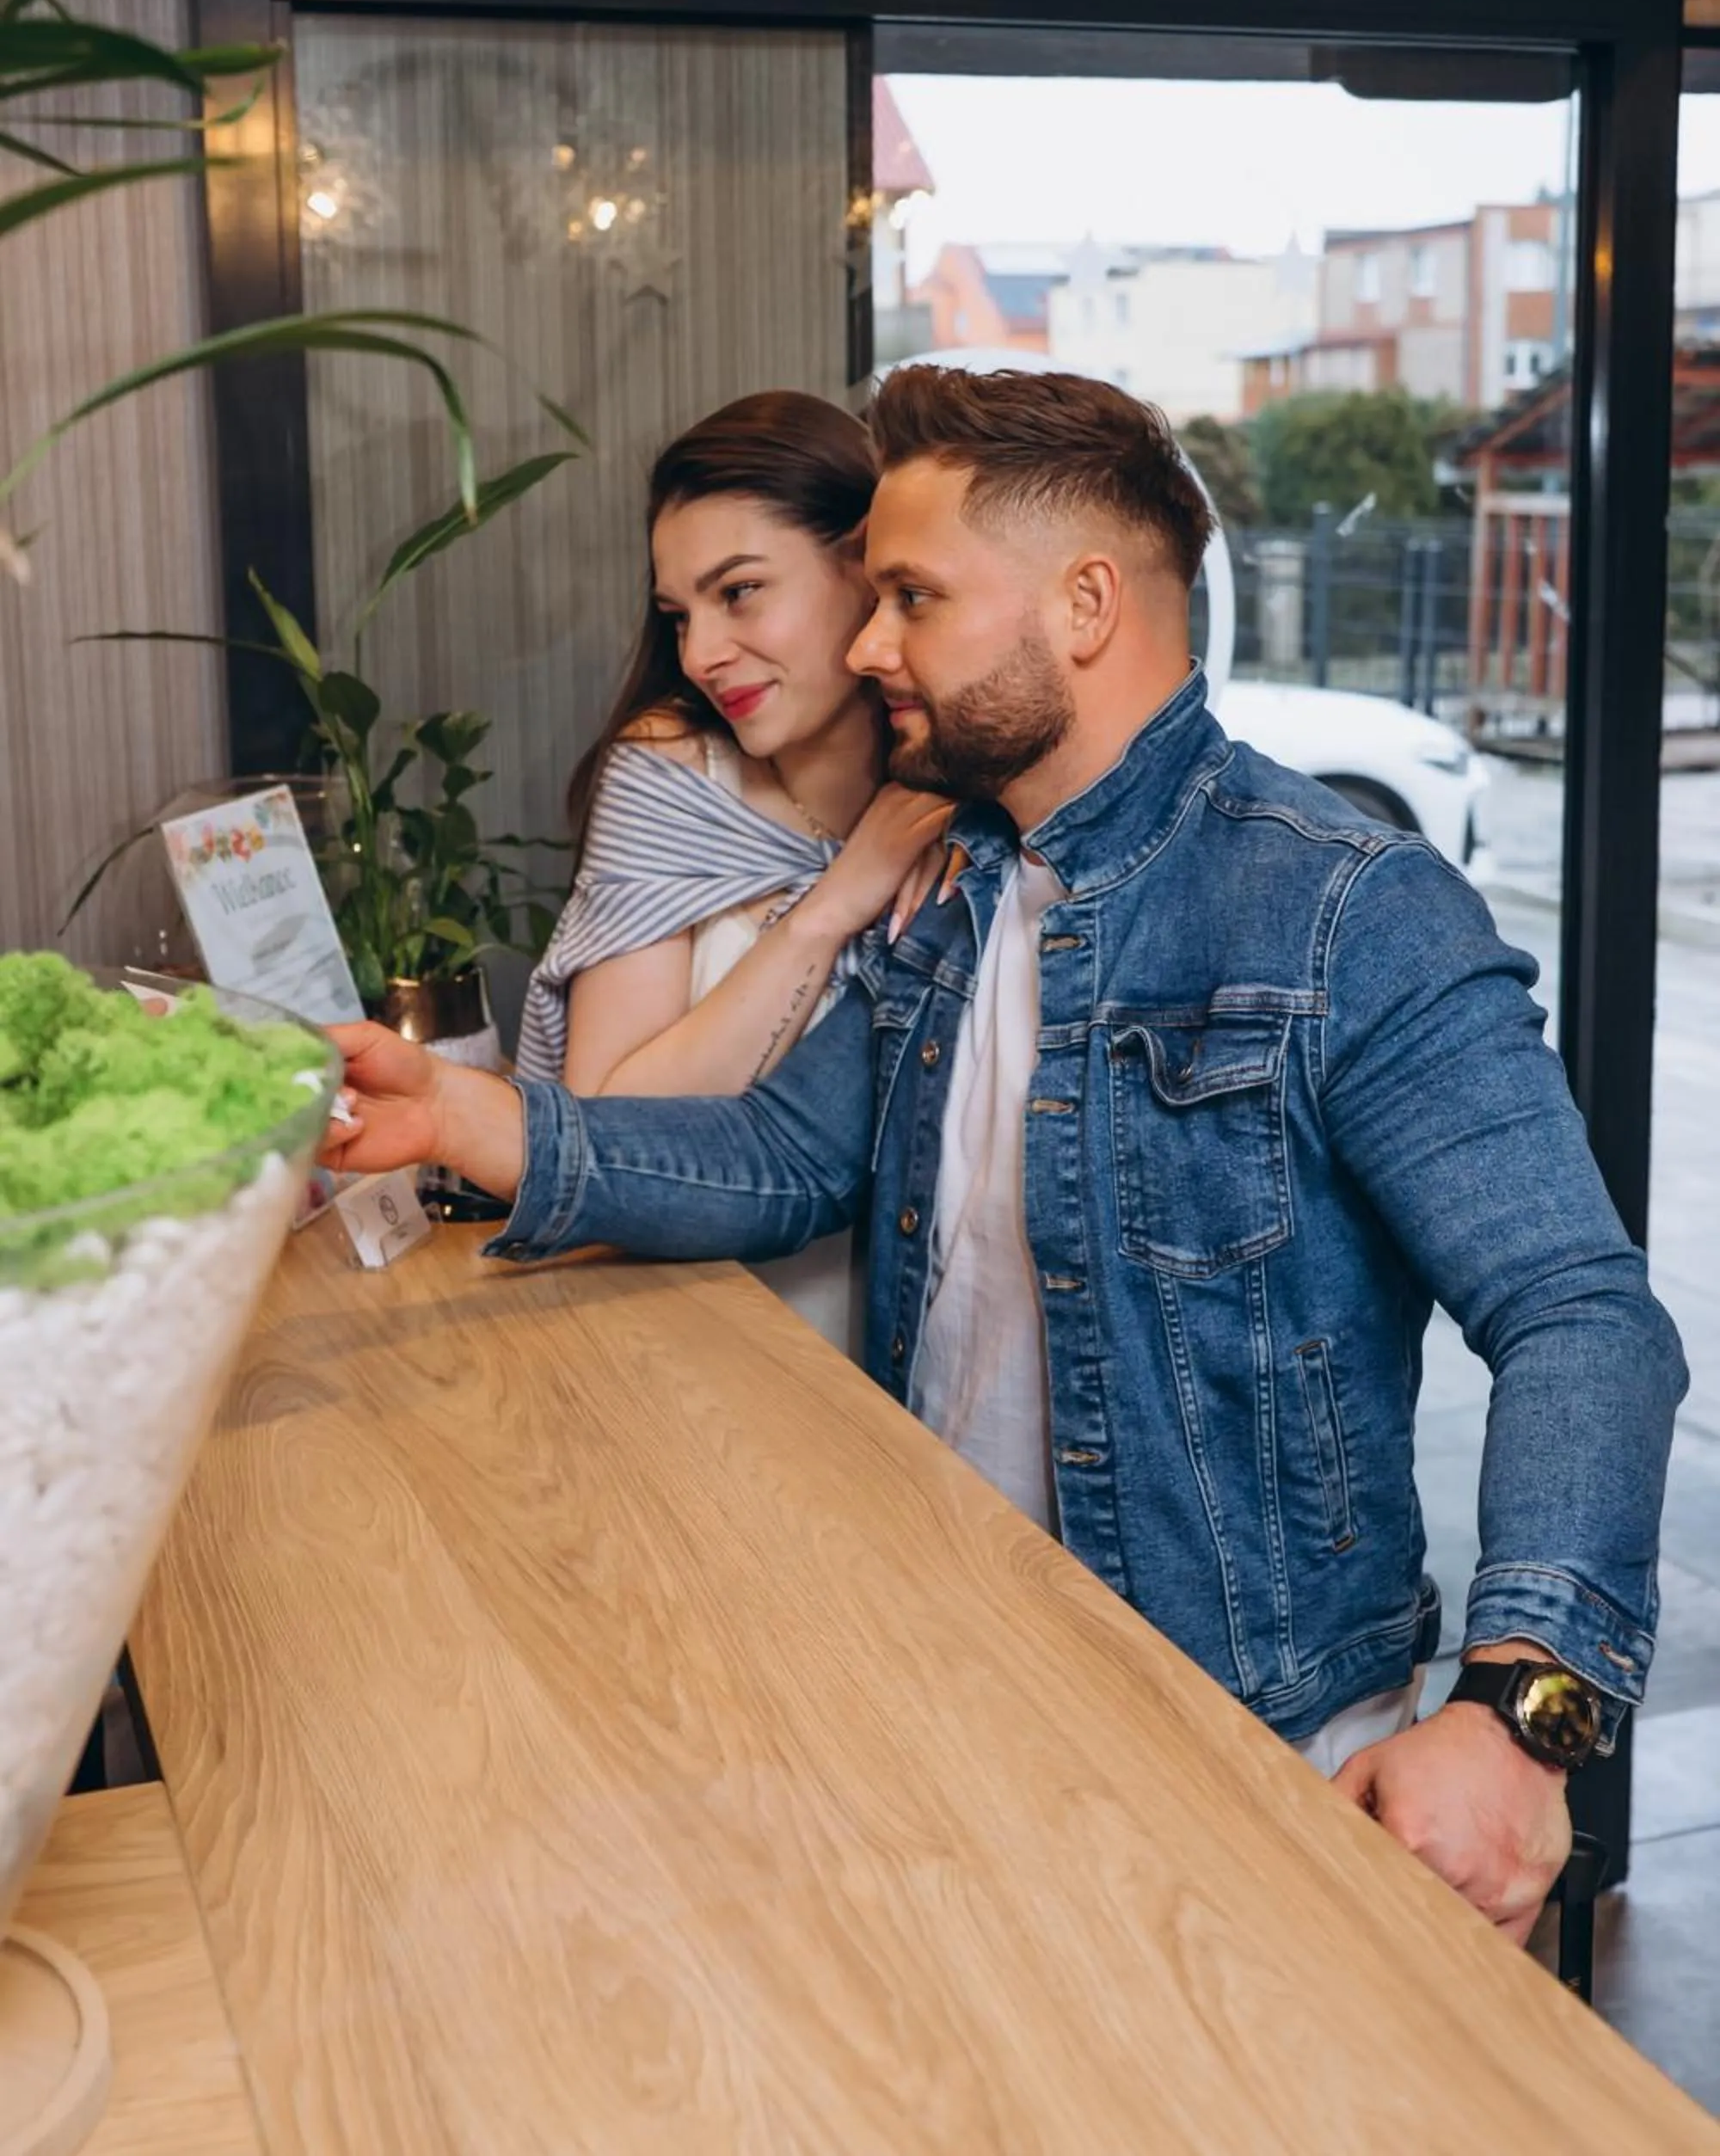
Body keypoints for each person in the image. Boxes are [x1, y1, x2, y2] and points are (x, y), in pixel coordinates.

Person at [325, 365, 1686, 1944]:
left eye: (910, 596)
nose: (865, 644)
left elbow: (1582, 1316)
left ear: (1087, 605)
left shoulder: (1344, 909)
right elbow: (785, 1152)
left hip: (1251, 1744)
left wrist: (1520, 1718)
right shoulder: (964, 875)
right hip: (953, 1664)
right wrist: (476, 1122)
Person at [513, 390, 949, 1359]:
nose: (703, 654)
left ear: (863, 568)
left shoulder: (960, 794)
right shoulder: (672, 773)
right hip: (664, 1329)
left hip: (886, 1350)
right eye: (678, 615)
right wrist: (836, 901)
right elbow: (609, 1125)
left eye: (740, 591)